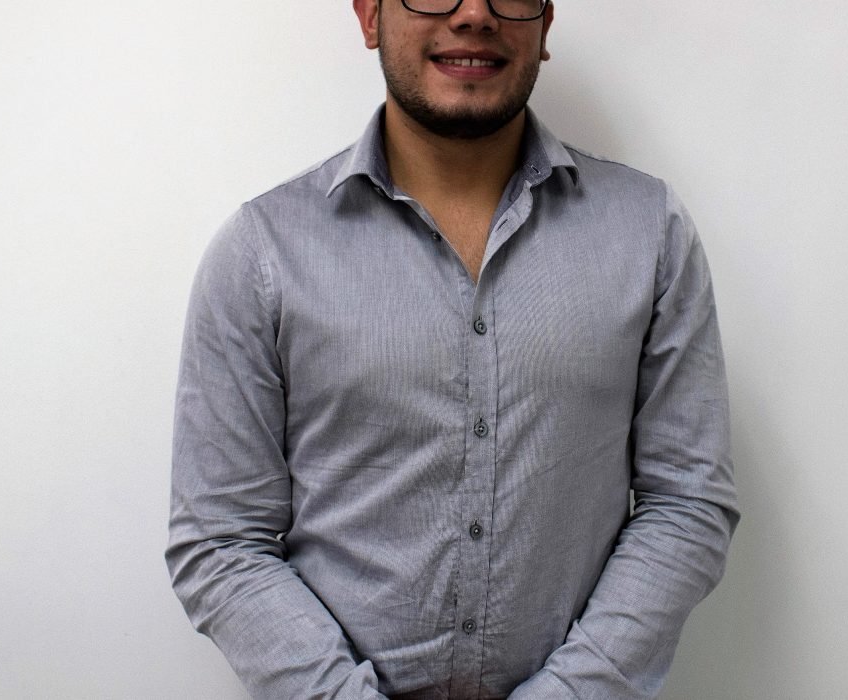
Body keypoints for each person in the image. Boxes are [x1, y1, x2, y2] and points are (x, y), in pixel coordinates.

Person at [166, 0, 739, 697]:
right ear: (370, 17)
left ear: (545, 23)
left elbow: (686, 501)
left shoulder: (650, 232)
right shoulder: (263, 252)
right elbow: (222, 539)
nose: (473, 14)